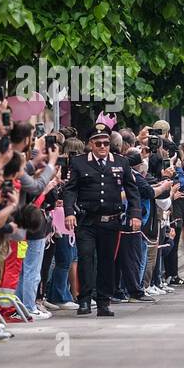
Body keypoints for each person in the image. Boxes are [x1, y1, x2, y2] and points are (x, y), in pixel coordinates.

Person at [63, 125, 140, 316]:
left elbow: (132, 190)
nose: (103, 147)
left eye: (106, 143)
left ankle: (104, 301)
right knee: (86, 259)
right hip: (87, 221)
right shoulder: (79, 163)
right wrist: (69, 212)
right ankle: (85, 300)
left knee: (107, 261)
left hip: (111, 220)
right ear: (91, 144)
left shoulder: (121, 163)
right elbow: (70, 189)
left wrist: (135, 214)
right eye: (98, 143)